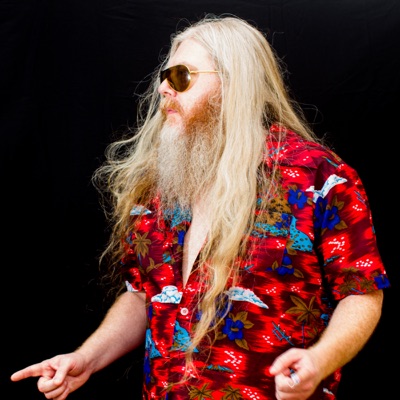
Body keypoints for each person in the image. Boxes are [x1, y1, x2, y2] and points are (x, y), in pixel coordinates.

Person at [10, 14, 390, 400]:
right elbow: (144, 295)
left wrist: (320, 361)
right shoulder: (158, 187)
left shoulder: (319, 179)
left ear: (232, 85)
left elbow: (361, 292)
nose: (163, 88)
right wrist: (86, 358)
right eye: (164, 76)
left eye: (181, 76)